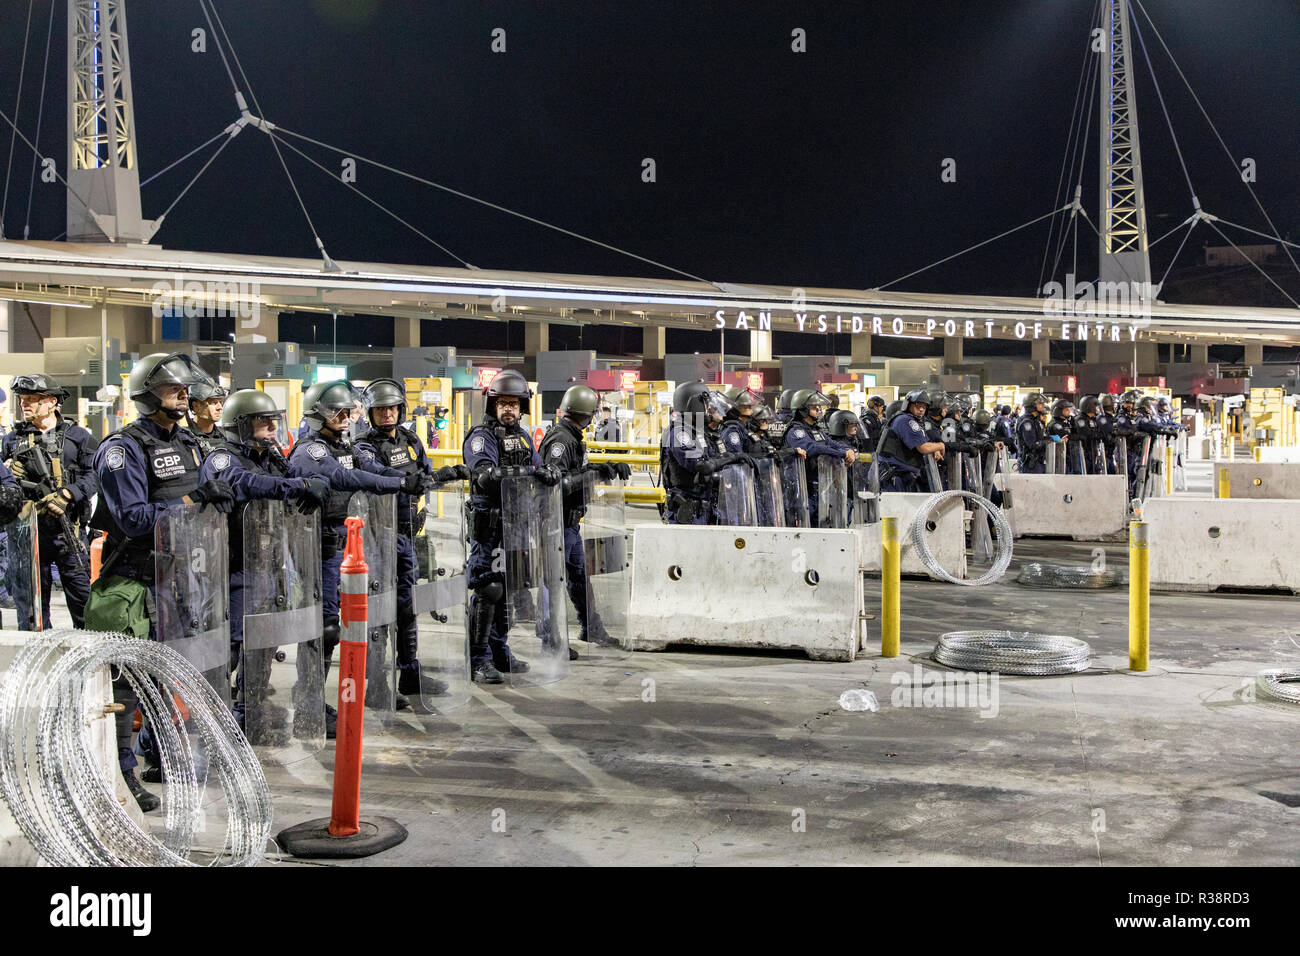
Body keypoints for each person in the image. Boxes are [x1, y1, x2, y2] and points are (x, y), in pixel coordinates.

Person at [83, 352, 236, 813]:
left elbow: (211, 486)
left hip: (180, 578)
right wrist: (194, 501)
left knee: (163, 680)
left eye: (186, 389)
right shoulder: (122, 449)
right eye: (175, 389)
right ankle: (120, 774)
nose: (185, 395)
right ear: (149, 395)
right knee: (126, 687)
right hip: (133, 581)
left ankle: (159, 757)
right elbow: (131, 518)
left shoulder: (187, 442)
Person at [287, 380, 423, 732]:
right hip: (320, 546)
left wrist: (417, 479)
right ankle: (308, 706)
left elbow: (375, 469)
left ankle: (316, 701)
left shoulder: (345, 444)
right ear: (319, 415)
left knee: (345, 623)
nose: (346, 418)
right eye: (338, 412)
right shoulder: (311, 450)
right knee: (324, 627)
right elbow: (345, 477)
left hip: (348, 543)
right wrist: (397, 484)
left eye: (349, 412)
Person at [198, 389, 328, 730]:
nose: (272, 428)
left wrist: (305, 487)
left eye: (274, 421)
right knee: (232, 644)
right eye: (263, 422)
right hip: (232, 565)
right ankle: (215, 714)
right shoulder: (222, 457)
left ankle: (248, 708)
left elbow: (280, 481)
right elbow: (245, 483)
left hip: (267, 562)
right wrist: (297, 486)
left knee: (264, 641)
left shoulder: (268, 456)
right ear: (241, 425)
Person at [353, 377, 465, 701]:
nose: (387, 414)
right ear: (371, 413)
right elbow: (377, 474)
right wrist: (410, 480)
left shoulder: (412, 440)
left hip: (408, 536)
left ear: (400, 410)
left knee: (407, 607)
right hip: (378, 539)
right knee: (379, 612)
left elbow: (424, 474)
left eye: (392, 408)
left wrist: (437, 479)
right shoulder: (362, 446)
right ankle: (376, 685)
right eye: (380, 409)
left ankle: (410, 675)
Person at [463, 369, 564, 682]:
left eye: (514, 404)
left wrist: (548, 472)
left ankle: (499, 651)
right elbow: (482, 471)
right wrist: (511, 475)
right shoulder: (482, 436)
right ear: (493, 405)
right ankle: (478, 659)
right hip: (491, 525)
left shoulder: (521, 436)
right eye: (503, 403)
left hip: (518, 525)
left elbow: (536, 466)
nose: (508, 409)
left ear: (522, 408)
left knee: (510, 589)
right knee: (489, 588)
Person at [1, 374, 97, 629]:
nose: (25, 404)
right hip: (27, 536)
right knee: (31, 611)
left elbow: (96, 475)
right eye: (22, 399)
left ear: (52, 402)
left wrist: (69, 494)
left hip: (69, 532)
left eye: (32, 399)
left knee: (83, 607)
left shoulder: (79, 436)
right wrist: (10, 471)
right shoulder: (12, 439)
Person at [540, 385, 630, 649]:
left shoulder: (571, 436)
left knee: (578, 577)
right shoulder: (561, 440)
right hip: (556, 524)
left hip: (569, 523)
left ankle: (591, 628)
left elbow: (575, 470)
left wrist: (604, 467)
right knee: (553, 582)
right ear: (588, 415)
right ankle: (551, 639)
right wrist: (595, 474)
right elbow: (558, 481)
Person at [660, 382, 748, 525]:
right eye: (706, 404)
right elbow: (701, 466)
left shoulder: (699, 432)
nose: (709, 409)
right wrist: (731, 457)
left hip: (704, 507)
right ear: (694, 405)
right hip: (688, 511)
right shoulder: (679, 433)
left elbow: (713, 458)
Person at [783, 389, 854, 525]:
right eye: (814, 406)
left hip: (820, 488)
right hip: (802, 490)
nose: (818, 408)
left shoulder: (816, 430)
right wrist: (842, 453)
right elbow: (813, 448)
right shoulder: (795, 431)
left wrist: (848, 450)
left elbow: (831, 443)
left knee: (819, 527)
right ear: (803, 409)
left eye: (818, 406)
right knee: (803, 527)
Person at [875, 389, 945, 492]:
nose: (921, 409)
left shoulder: (913, 421)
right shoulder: (905, 420)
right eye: (918, 405)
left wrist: (935, 449)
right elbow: (923, 448)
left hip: (901, 477)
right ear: (908, 405)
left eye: (924, 407)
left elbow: (926, 443)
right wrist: (940, 446)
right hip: (893, 478)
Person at [186, 381, 228, 455]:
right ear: (196, 406)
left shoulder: (225, 436)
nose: (219, 408)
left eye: (220, 402)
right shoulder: (185, 437)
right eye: (213, 403)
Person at [1015, 393, 1051, 474]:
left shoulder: (1035, 420)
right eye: (1040, 403)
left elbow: (1040, 438)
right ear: (1032, 405)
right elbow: (1032, 444)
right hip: (1031, 464)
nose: (1043, 405)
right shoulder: (1027, 422)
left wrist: (1053, 439)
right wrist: (1049, 442)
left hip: (1038, 462)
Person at [1046, 398, 1078, 473]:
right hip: (1059, 459)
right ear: (1059, 411)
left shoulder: (1066, 423)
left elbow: (1074, 434)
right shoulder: (1055, 425)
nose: (1069, 412)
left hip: (1068, 456)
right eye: (1066, 410)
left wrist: (1073, 424)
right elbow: (1067, 436)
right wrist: (1074, 436)